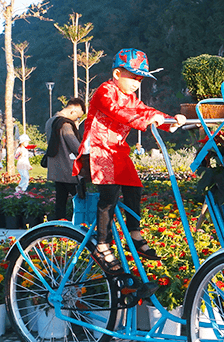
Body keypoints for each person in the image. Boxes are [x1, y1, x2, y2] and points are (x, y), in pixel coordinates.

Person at [73, 49, 185, 287]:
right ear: (117, 73)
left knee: (135, 187)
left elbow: (145, 111)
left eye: (140, 79)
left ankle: (134, 233)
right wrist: (149, 121)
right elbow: (120, 113)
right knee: (110, 194)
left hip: (117, 151)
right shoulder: (105, 91)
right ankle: (102, 244)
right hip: (98, 149)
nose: (137, 83)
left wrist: (170, 121)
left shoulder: (131, 98)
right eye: (133, 77)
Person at [45, 98, 86, 220]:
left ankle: (59, 225)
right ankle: (80, 225)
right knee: (79, 198)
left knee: (60, 201)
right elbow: (75, 147)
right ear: (74, 110)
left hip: (55, 168)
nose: (76, 120)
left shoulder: (50, 121)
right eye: (78, 116)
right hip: (68, 168)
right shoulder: (65, 125)